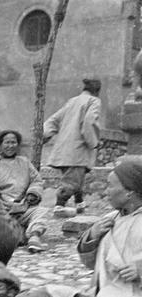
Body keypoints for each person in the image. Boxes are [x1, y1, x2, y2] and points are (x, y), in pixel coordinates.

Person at [2, 156, 142, 297]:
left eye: (110, 186)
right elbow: (88, 262)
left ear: (129, 191)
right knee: (44, 295)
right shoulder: (110, 218)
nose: (105, 191)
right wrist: (92, 236)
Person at [44, 78, 102, 217]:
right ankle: (59, 206)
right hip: (78, 149)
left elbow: (54, 120)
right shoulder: (94, 101)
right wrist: (93, 142)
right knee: (72, 182)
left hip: (63, 148)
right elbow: (89, 123)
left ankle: (80, 203)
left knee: (78, 178)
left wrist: (45, 135)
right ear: (97, 91)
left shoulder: (72, 101)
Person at [0, 130, 48, 253]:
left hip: (23, 206)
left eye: (13, 142)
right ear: (1, 145)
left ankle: (34, 237)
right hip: (1, 206)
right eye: (7, 142)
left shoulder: (24, 162)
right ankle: (14, 236)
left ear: (18, 145)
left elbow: (37, 181)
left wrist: (32, 193)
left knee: (40, 212)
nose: (10, 146)